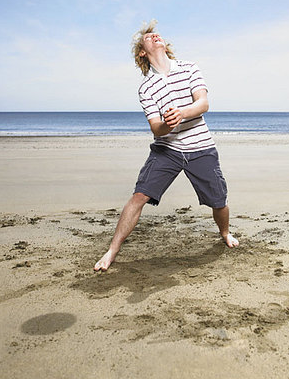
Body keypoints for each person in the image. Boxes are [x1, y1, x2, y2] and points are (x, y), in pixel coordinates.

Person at [94, 20, 239, 271]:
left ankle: (225, 233)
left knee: (219, 201)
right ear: (142, 52)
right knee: (138, 196)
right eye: (149, 38)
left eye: (157, 35)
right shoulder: (146, 88)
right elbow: (155, 127)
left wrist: (180, 114)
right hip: (167, 150)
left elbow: (203, 103)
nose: (155, 37)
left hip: (200, 146)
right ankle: (111, 251)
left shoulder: (189, 68)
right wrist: (167, 125)